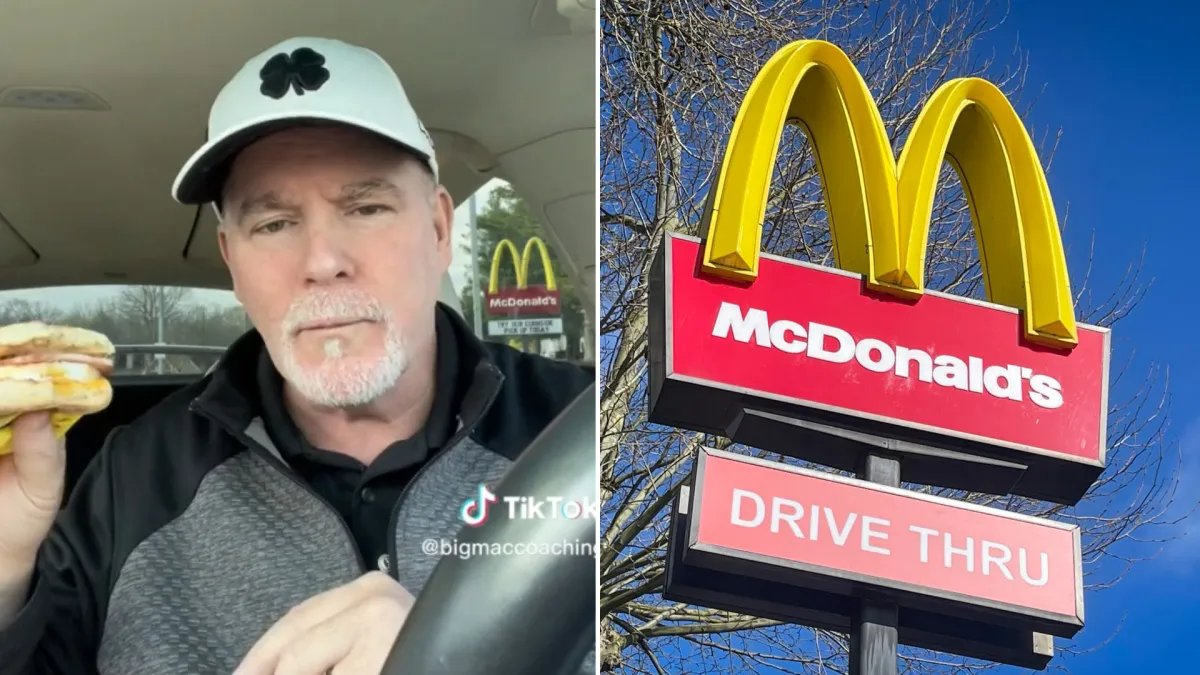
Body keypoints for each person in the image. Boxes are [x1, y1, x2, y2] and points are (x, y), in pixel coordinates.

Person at [0, 36, 592, 674]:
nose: (322, 263)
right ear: (232, 260)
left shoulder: (583, 433)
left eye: (365, 207)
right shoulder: (134, 476)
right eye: (274, 224)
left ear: (440, 230)